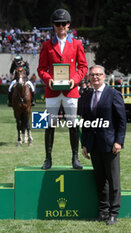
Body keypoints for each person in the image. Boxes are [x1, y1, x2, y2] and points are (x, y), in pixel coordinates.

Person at [37, 8, 88, 170]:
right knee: (50, 124)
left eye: (63, 24)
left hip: (70, 90)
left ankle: (75, 157)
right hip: (52, 90)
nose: (61, 26)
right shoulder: (46, 45)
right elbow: (41, 69)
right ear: (53, 25)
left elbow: (83, 67)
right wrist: (48, 79)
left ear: (68, 25)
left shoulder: (77, 44)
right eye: (58, 24)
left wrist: (75, 80)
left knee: (72, 124)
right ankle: (47, 158)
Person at [81, 65, 127, 225]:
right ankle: (103, 212)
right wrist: (84, 144)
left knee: (113, 180)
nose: (95, 77)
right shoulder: (86, 95)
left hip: (110, 144)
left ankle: (114, 213)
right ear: (89, 77)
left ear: (104, 76)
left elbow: (122, 120)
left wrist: (119, 141)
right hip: (93, 145)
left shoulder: (113, 94)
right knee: (100, 180)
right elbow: (85, 122)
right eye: (92, 75)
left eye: (98, 75)